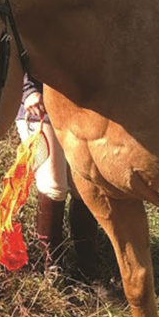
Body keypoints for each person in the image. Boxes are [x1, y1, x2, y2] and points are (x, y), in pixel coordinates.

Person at [17, 75, 102, 282]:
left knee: (86, 187)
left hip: (83, 109)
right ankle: (53, 267)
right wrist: (28, 91)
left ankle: (87, 266)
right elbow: (15, 50)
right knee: (53, 185)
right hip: (39, 108)